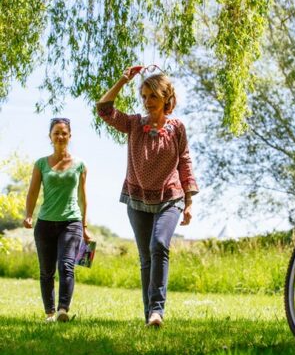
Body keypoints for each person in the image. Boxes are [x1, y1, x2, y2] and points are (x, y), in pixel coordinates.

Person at [96, 66, 199, 326]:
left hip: (170, 197)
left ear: (166, 98)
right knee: (145, 258)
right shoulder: (133, 124)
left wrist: (189, 201)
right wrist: (123, 79)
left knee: (159, 246)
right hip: (137, 198)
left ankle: (157, 310)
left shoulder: (177, 128)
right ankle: (150, 315)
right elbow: (104, 109)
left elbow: (184, 162)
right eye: (143, 96)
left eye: (152, 96)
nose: (146, 102)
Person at [23, 118, 91, 322]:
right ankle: (50, 313)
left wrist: (85, 226)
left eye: (64, 133)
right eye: (56, 133)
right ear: (50, 137)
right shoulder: (41, 164)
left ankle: (63, 310)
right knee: (46, 271)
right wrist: (28, 214)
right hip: (44, 223)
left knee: (67, 265)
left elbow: (83, 197)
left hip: (71, 222)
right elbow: (33, 192)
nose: (60, 136)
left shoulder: (80, 165)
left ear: (70, 136)